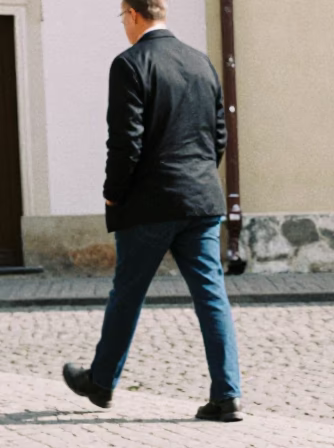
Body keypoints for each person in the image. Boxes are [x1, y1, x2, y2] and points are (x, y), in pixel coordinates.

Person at [63, 0, 243, 422]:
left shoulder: (130, 64)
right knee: (211, 296)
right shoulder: (201, 62)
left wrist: (113, 192)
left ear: (132, 14)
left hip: (148, 203)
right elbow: (219, 135)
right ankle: (227, 394)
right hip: (201, 198)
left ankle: (102, 382)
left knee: (127, 294)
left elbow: (126, 139)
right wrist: (196, 177)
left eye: (122, 17)